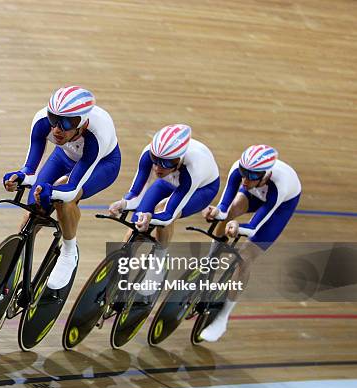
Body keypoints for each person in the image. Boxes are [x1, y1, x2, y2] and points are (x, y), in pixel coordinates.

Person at [3, 86, 121, 289]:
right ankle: (13, 263)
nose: (57, 128)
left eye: (67, 122)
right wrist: (21, 177)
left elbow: (73, 187)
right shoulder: (41, 122)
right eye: (54, 118)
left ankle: (69, 251)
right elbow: (30, 170)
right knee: (35, 208)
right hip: (64, 156)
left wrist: (55, 191)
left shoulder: (98, 133)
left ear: (82, 123)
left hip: (101, 164)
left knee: (64, 200)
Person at [200, 144, 301, 342]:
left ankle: (223, 318)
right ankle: (210, 263)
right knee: (228, 213)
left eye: (252, 176)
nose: (245, 180)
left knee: (245, 258)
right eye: (243, 173)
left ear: (266, 174)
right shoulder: (240, 172)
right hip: (255, 194)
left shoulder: (280, 185)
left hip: (278, 206)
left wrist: (238, 226)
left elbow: (254, 228)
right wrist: (215, 213)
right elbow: (223, 207)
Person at [109, 124, 220, 268]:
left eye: (166, 163)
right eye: (154, 160)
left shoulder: (194, 167)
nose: (157, 168)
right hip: (168, 182)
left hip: (202, 189)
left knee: (162, 210)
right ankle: (117, 270)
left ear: (179, 159)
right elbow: (136, 194)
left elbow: (168, 214)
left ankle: (158, 264)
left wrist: (152, 218)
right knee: (135, 226)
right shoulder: (149, 154)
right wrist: (123, 204)